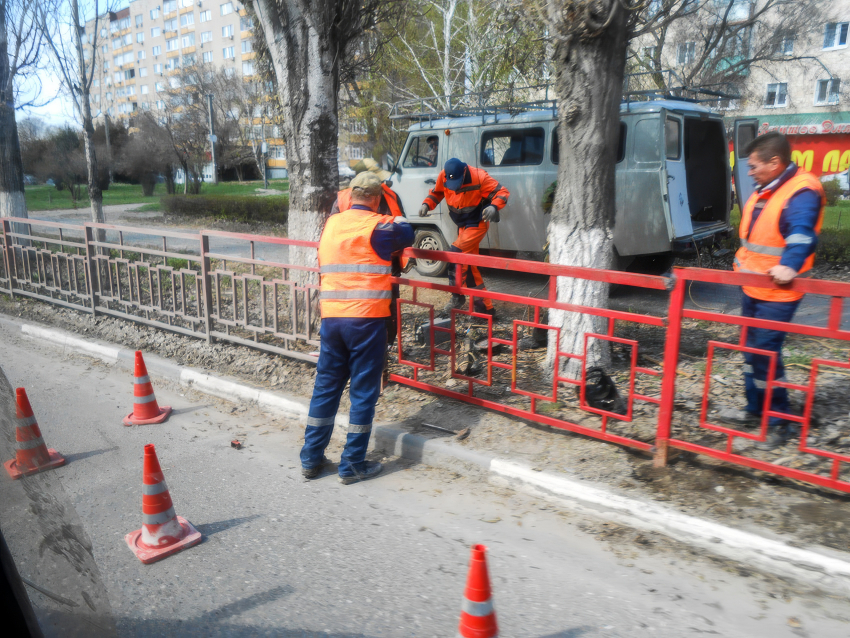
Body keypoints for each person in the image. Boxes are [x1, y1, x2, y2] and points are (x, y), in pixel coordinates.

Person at [301, 172, 414, 484]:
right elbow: (407, 231)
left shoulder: (331, 223)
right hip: (366, 320)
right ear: (377, 198)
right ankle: (351, 464)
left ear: (350, 196)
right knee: (363, 392)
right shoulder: (378, 227)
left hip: (332, 319)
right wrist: (392, 202)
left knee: (326, 387)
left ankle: (311, 458)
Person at [721, 132, 825, 450]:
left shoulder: (801, 190)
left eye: (753, 166)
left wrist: (790, 265)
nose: (749, 172)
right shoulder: (769, 187)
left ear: (775, 162)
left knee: (766, 355)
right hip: (753, 286)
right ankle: (755, 408)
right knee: (752, 353)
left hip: (778, 292)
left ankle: (779, 421)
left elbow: (801, 233)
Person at [418, 158, 509, 317]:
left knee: (455, 253)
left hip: (477, 224)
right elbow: (437, 192)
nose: (457, 188)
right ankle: (485, 309)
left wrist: (494, 207)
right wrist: (427, 204)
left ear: (464, 172)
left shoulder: (479, 176)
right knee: (471, 266)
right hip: (462, 225)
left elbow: (502, 192)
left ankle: (457, 296)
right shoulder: (444, 176)